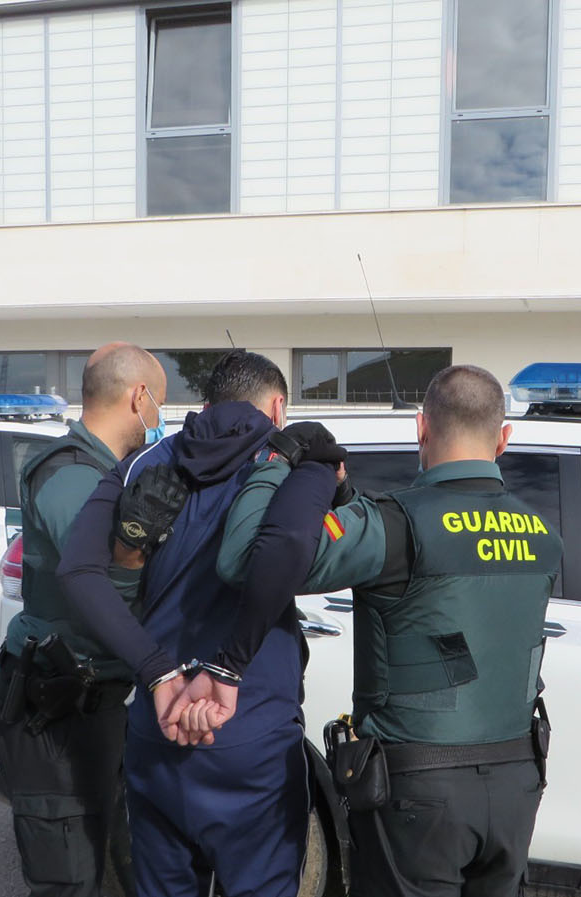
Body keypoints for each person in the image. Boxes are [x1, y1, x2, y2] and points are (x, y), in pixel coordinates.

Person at [217, 364, 564, 897]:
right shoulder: (541, 533)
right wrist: (347, 496)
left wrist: (272, 464)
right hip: (518, 783)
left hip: (419, 794)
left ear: (421, 428)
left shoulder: (395, 523)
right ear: (504, 438)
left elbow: (251, 563)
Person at [55, 349, 342, 897]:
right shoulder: (288, 464)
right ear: (278, 407)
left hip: (159, 729)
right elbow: (307, 546)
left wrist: (157, 671)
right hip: (251, 733)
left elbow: (78, 570)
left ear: (206, 404)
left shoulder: (144, 463)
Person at [0, 342, 167, 897]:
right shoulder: (70, 477)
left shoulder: (107, 472)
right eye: (160, 403)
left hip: (93, 700)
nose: (160, 418)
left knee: (99, 860)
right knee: (67, 878)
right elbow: (95, 584)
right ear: (139, 398)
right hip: (56, 710)